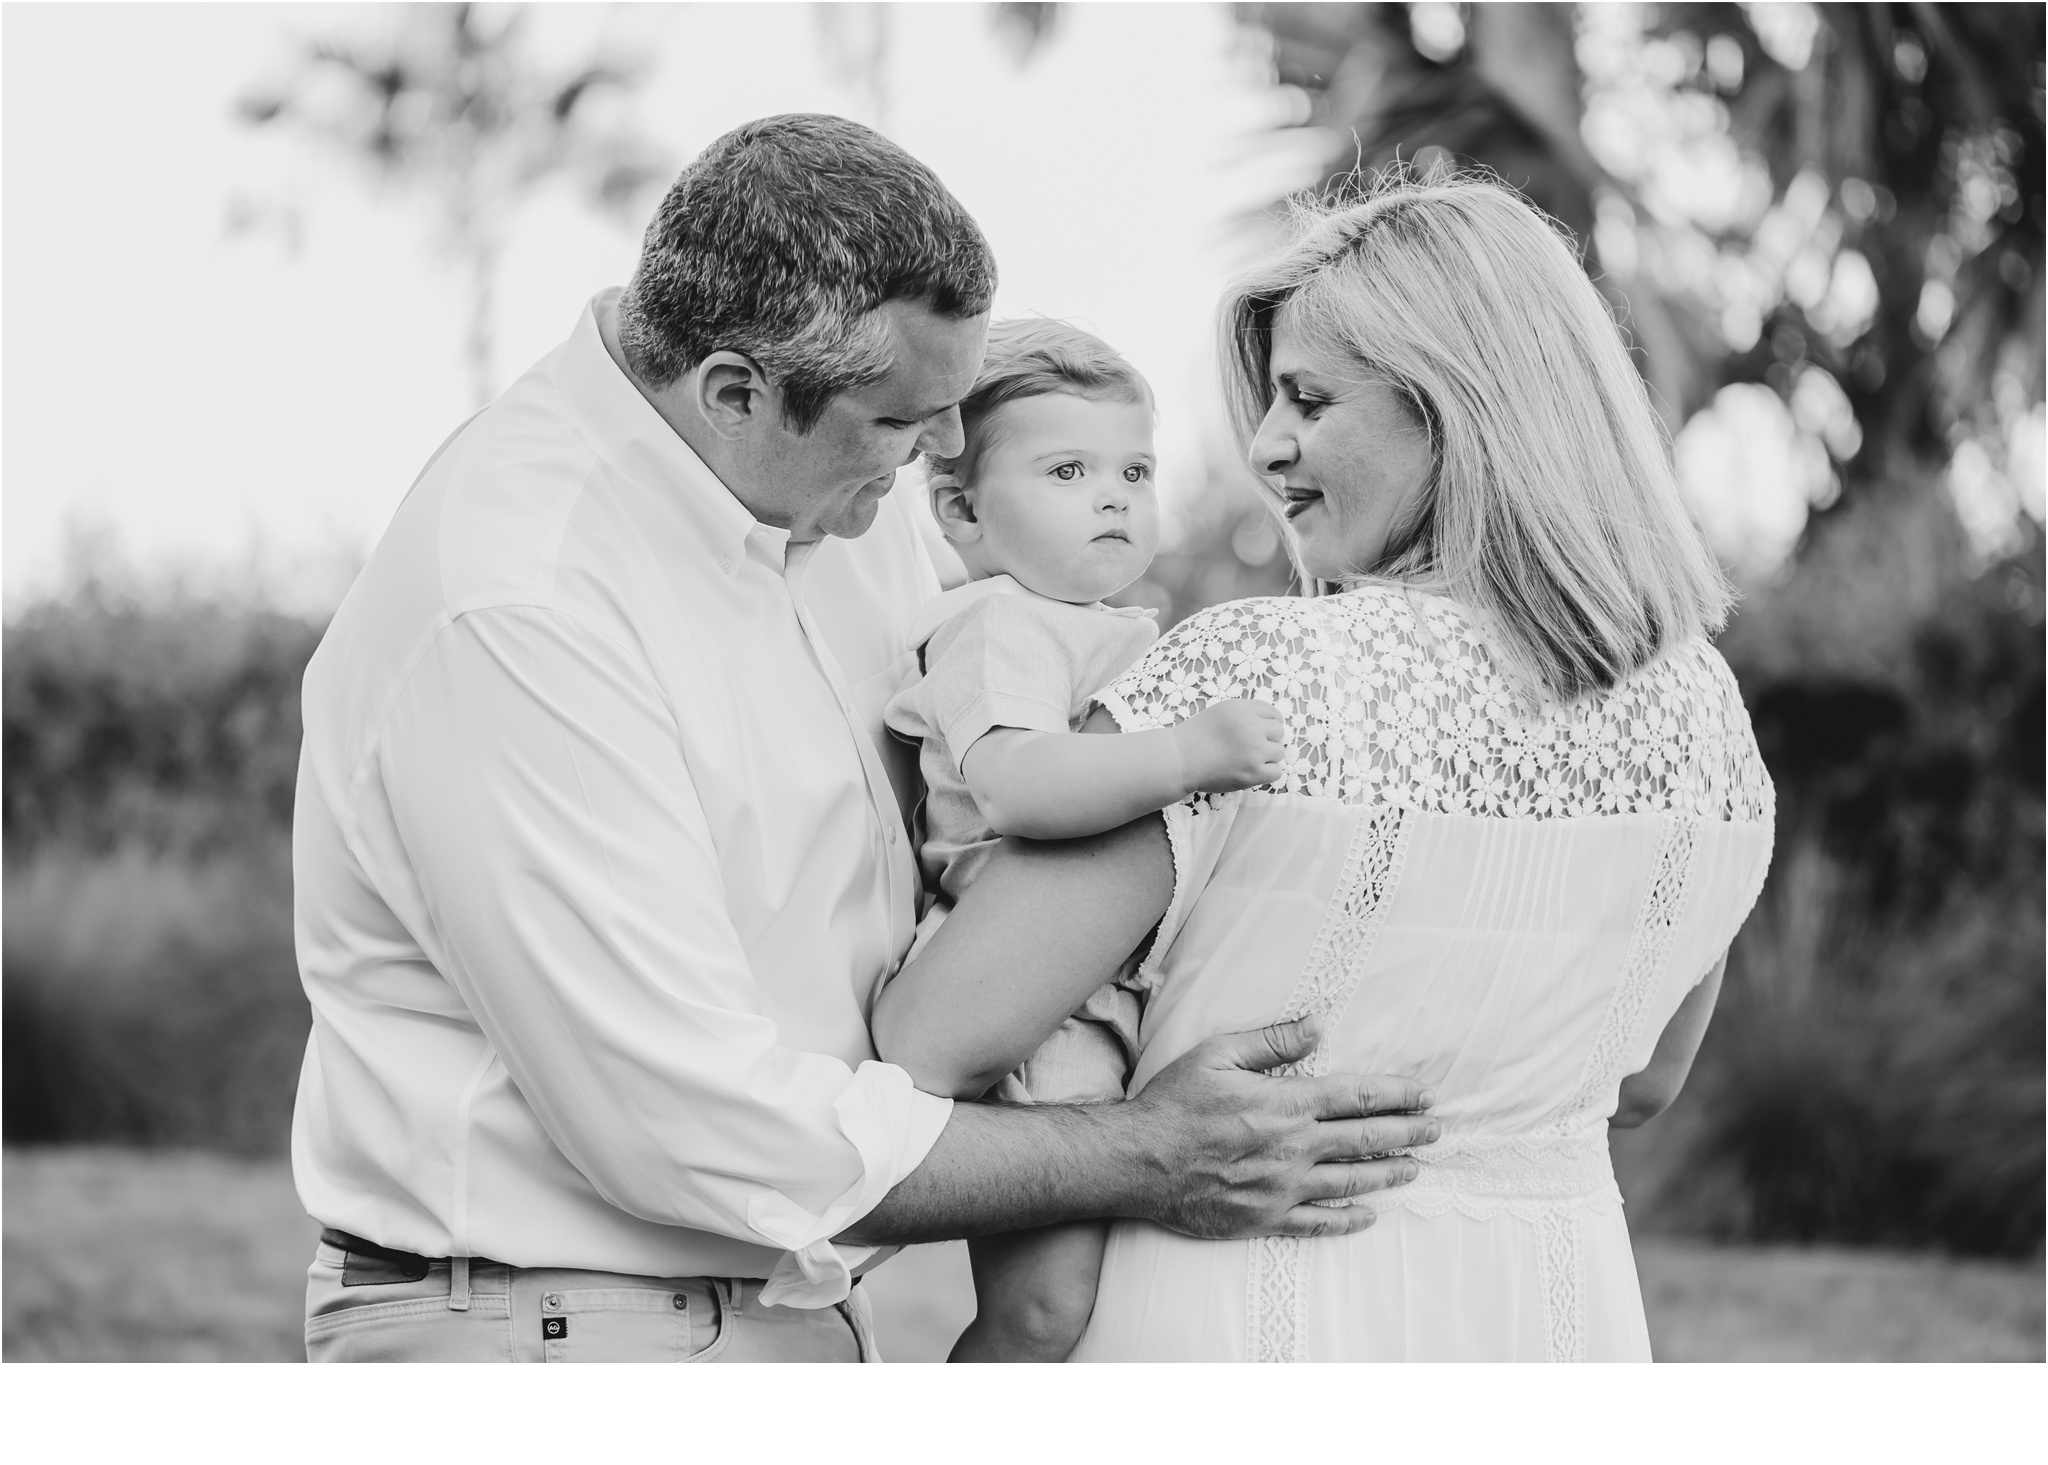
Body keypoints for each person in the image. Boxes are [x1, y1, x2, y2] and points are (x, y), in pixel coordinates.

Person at [290, 113, 1434, 1363]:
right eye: (902, 422)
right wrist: (1145, 1152)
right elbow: (689, 1123)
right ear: (734, 392)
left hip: (784, 1308)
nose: (943, 453)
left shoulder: (836, 491)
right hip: (558, 1334)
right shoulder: (518, 601)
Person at [874, 174, 1777, 1361]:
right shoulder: (1703, 713)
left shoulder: (1260, 678)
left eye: (1305, 398)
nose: (1264, 445)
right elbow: (1645, 1080)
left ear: (1456, 407)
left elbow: (935, 1038)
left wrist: (1146, 1137)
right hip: (1549, 1321)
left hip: (1245, 1320)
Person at [882, 318, 1284, 1360]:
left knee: (1101, 1301)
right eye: (1067, 469)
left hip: (1091, 978)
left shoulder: (1102, 625)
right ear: (961, 510)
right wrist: (1185, 754)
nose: (1112, 495)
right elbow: (1016, 786)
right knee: (1044, 1308)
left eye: (1133, 470)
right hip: (1029, 993)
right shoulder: (998, 622)